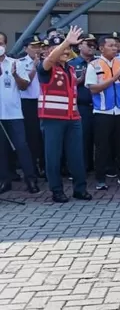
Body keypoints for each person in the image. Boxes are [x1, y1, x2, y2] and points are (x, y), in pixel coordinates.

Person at [36, 29, 92, 203]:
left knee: (76, 155)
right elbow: (52, 58)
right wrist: (67, 42)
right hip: (53, 118)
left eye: (68, 49)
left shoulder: (72, 69)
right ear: (47, 50)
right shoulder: (45, 67)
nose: (65, 51)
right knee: (53, 156)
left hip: (73, 118)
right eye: (61, 48)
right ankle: (56, 191)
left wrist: (77, 115)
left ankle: (79, 189)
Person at [86, 32, 120, 191]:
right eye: (111, 45)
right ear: (101, 48)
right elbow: (93, 89)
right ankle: (100, 179)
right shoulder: (93, 65)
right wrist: (113, 79)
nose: (115, 48)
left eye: (116, 45)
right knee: (102, 147)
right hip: (103, 111)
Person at [0, 39, 39, 194]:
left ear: (5, 45)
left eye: (1, 43)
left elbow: (24, 86)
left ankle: (30, 179)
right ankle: (5, 180)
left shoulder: (15, 63)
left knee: (22, 146)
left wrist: (15, 74)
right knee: (1, 149)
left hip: (14, 113)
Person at [16, 35, 45, 177]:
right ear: (25, 48)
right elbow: (24, 85)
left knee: (44, 136)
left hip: (44, 102)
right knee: (32, 136)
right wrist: (34, 66)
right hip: (28, 103)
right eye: (33, 47)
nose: (37, 49)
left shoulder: (46, 62)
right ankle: (33, 168)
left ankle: (45, 167)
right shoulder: (20, 62)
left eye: (39, 46)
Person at [68, 34, 98, 172]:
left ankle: (100, 167)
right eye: (88, 43)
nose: (92, 46)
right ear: (79, 45)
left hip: (99, 106)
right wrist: (80, 80)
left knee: (100, 139)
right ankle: (83, 167)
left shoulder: (99, 63)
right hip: (81, 106)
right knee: (82, 139)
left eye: (94, 44)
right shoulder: (72, 64)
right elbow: (67, 85)